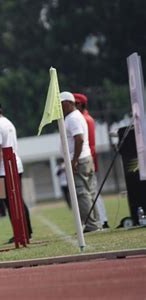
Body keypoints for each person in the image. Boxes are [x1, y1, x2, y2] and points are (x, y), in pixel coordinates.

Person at [0, 98, 33, 243]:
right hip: (15, 165)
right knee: (17, 200)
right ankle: (26, 230)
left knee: (10, 203)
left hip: (6, 169)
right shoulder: (8, 122)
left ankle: (21, 232)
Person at [60, 92, 101, 233]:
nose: (59, 107)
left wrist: (74, 160)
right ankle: (95, 222)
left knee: (82, 192)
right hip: (85, 157)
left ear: (68, 103)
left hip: (80, 159)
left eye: (61, 104)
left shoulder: (72, 118)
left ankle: (91, 224)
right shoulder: (76, 116)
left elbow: (79, 139)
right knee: (89, 192)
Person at [73, 93, 109, 229]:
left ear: (80, 104)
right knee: (92, 192)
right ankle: (101, 220)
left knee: (92, 192)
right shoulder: (85, 118)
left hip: (88, 158)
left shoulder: (84, 119)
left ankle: (102, 220)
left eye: (76, 103)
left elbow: (90, 144)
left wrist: (93, 162)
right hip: (90, 158)